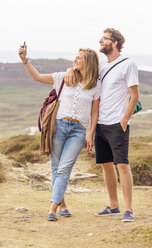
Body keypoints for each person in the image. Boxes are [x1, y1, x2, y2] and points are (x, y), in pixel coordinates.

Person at [64, 28, 139, 222]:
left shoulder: (128, 64)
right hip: (101, 125)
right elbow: (84, 73)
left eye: (104, 39)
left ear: (114, 43)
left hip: (117, 124)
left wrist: (124, 121)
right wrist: (70, 69)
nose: (100, 41)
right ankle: (113, 206)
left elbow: (135, 96)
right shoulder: (104, 66)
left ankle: (128, 210)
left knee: (122, 164)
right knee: (106, 165)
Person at [18, 45, 101, 221]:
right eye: (76, 57)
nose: (75, 59)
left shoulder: (96, 85)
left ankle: (52, 209)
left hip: (78, 131)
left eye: (79, 57)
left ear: (89, 62)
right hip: (59, 126)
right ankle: (61, 205)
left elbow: (95, 112)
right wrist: (25, 59)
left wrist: (90, 134)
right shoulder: (63, 77)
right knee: (56, 168)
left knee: (64, 168)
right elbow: (37, 77)